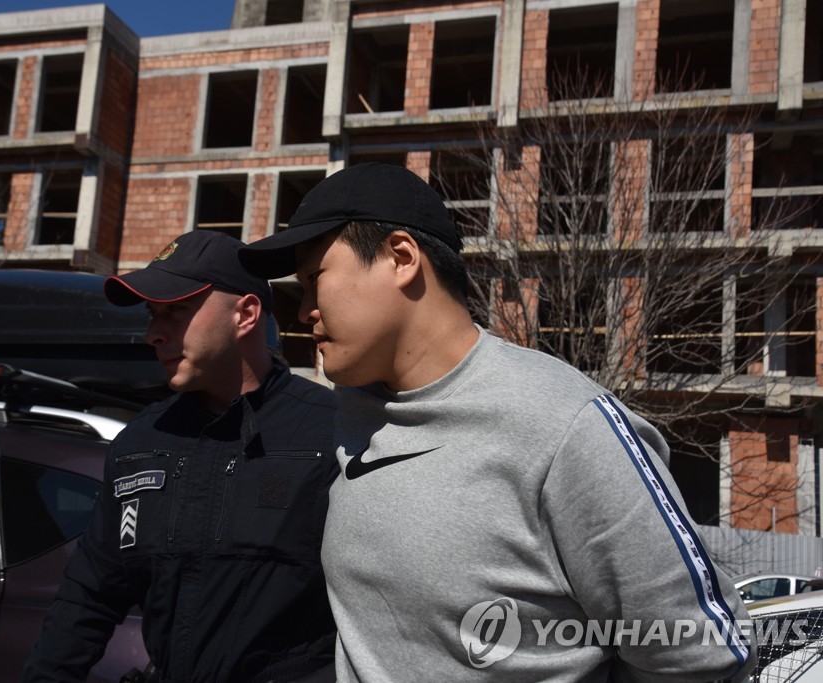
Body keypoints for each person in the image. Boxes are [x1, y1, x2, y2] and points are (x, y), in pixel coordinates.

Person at [238, 163, 756, 681]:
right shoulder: (353, 412)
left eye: (314, 279)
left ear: (401, 258)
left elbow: (704, 654)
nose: (303, 310)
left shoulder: (565, 425)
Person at [24, 230, 339, 683]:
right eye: (153, 314)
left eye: (175, 310)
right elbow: (88, 597)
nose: (154, 334)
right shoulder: (139, 443)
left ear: (245, 314)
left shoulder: (332, 434)